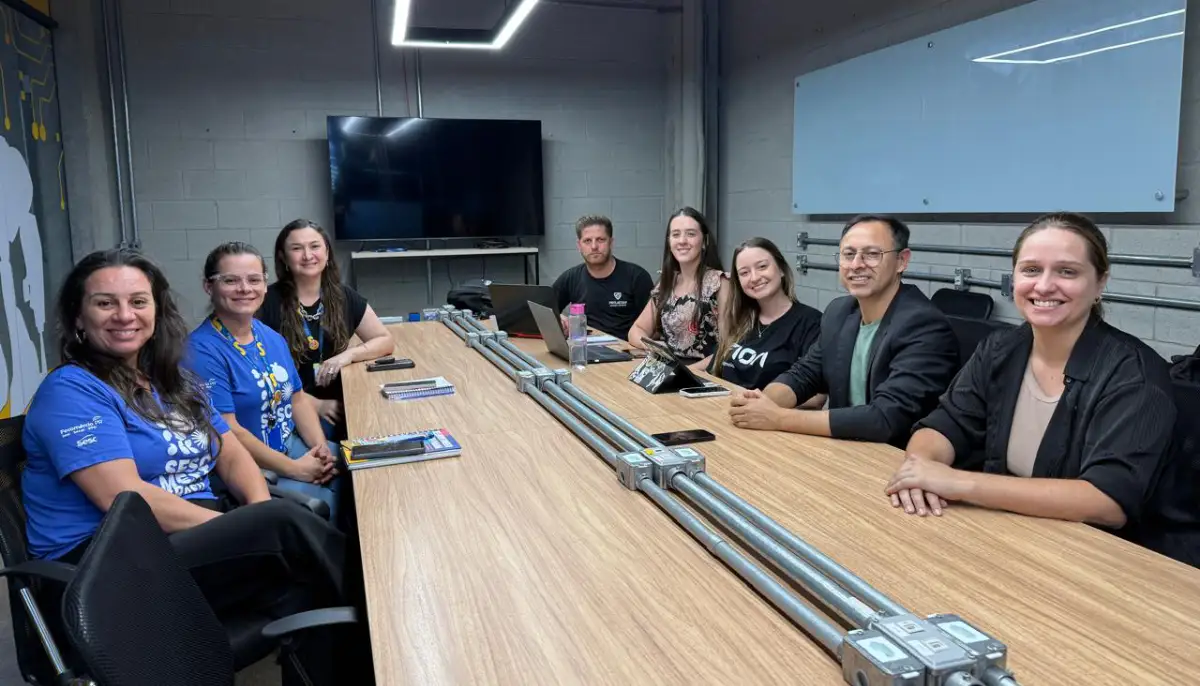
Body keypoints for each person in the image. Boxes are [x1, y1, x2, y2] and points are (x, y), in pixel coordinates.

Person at [20, 248, 349, 683]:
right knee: (290, 528)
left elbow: (230, 452)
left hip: (180, 546)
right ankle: (387, 605)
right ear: (79, 316)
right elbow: (123, 500)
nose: (125, 315)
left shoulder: (173, 381)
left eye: (138, 301)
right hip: (108, 565)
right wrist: (247, 526)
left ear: (157, 310)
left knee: (312, 594)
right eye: (105, 303)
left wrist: (252, 515)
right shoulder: (73, 390)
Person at [885, 213, 1183, 546]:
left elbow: (1107, 501)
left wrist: (957, 483)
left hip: (1096, 552)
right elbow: (944, 425)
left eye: (1067, 271)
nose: (1043, 286)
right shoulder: (1000, 348)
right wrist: (920, 470)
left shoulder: (1136, 375)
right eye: (1030, 270)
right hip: (1009, 532)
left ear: (1100, 283)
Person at [728, 214, 958, 447]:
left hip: (896, 458)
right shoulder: (839, 312)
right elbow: (804, 374)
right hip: (844, 448)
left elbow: (885, 418)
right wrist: (761, 403)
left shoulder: (925, 325)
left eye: (872, 254)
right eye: (849, 254)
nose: (856, 264)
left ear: (901, 261)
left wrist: (779, 418)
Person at [187, 242, 344, 525]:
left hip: (294, 447)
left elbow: (297, 400)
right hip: (254, 469)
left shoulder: (270, 337)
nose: (244, 288)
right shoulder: (200, 351)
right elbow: (229, 431)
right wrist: (296, 469)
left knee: (360, 472)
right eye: (230, 280)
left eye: (254, 279)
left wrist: (320, 451)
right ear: (209, 286)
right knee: (328, 512)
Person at [256, 219, 394, 440]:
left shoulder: (343, 296)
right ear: (283, 257)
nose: (307, 255)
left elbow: (384, 340)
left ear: (327, 252)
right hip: (288, 408)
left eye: (315, 246)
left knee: (383, 425)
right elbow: (256, 375)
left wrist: (347, 355)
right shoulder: (265, 302)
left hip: (339, 400)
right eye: (297, 248)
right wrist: (315, 404)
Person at [709, 237, 821, 390]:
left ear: (781, 269)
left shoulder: (811, 322)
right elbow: (713, 374)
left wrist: (763, 400)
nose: (754, 278)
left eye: (762, 267)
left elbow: (817, 396)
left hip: (769, 406)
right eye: (744, 273)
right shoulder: (739, 318)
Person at [627, 207, 728, 368]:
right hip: (670, 369)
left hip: (704, 373)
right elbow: (636, 330)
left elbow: (728, 347)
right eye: (675, 234)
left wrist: (686, 372)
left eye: (691, 234)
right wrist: (655, 348)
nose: (682, 241)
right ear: (669, 242)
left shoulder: (720, 283)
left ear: (704, 241)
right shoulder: (667, 282)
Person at [551, 214, 654, 341]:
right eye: (587, 241)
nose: (594, 246)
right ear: (579, 245)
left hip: (624, 349)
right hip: (583, 348)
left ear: (611, 242)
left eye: (600, 240)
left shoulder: (637, 277)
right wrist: (558, 317)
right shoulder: (571, 278)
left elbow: (653, 328)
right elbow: (543, 310)